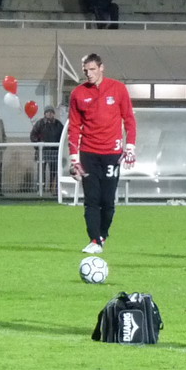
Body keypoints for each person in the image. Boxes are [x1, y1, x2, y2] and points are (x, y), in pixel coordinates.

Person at [68, 53, 137, 253]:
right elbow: (74, 127)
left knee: (108, 201)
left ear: (101, 68)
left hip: (112, 154)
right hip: (88, 154)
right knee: (91, 199)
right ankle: (94, 240)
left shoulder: (118, 89)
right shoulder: (78, 94)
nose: (88, 74)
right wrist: (74, 158)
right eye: (85, 70)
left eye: (92, 69)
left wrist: (130, 146)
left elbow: (129, 119)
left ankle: (102, 235)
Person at [31, 105, 64, 194]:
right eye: (48, 112)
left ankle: (53, 190)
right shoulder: (39, 123)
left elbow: (63, 136)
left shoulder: (59, 124)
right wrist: (38, 146)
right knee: (41, 172)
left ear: (53, 114)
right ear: (45, 114)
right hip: (42, 152)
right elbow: (33, 135)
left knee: (54, 171)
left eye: (51, 112)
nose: (49, 114)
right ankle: (40, 189)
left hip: (54, 152)